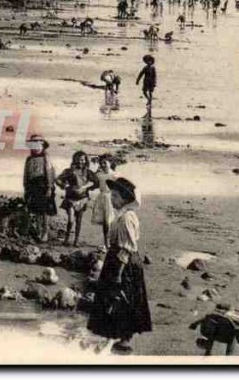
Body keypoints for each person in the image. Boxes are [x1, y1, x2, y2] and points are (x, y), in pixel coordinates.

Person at [87, 177, 152, 353]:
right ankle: (115, 332)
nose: (112, 199)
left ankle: (124, 337)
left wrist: (118, 273)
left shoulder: (126, 219)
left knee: (122, 297)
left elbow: (126, 248)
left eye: (115, 196)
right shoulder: (123, 216)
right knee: (115, 297)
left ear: (124, 199)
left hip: (124, 263)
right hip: (119, 259)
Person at [56, 151, 99, 247]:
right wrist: (64, 185)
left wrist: (85, 187)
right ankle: (66, 239)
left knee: (79, 220)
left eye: (83, 160)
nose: (81, 162)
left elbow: (96, 182)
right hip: (71, 199)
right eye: (78, 159)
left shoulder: (88, 172)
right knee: (71, 220)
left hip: (83, 199)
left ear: (86, 160)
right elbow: (58, 179)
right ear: (74, 160)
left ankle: (76, 240)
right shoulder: (70, 171)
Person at [23, 134, 57, 243]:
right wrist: (26, 188)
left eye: (38, 145)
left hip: (43, 185)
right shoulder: (29, 159)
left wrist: (49, 187)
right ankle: (38, 231)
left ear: (42, 146)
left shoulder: (46, 158)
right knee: (36, 210)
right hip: (32, 186)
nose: (36, 148)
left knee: (44, 211)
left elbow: (50, 173)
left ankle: (45, 232)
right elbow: (26, 174)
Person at [90, 154, 117, 248]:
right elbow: (93, 181)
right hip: (101, 197)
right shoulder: (99, 174)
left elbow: (119, 187)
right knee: (105, 222)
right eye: (101, 163)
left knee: (110, 221)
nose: (103, 165)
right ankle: (106, 242)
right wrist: (97, 170)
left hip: (111, 198)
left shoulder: (114, 174)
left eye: (105, 163)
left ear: (111, 163)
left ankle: (112, 241)